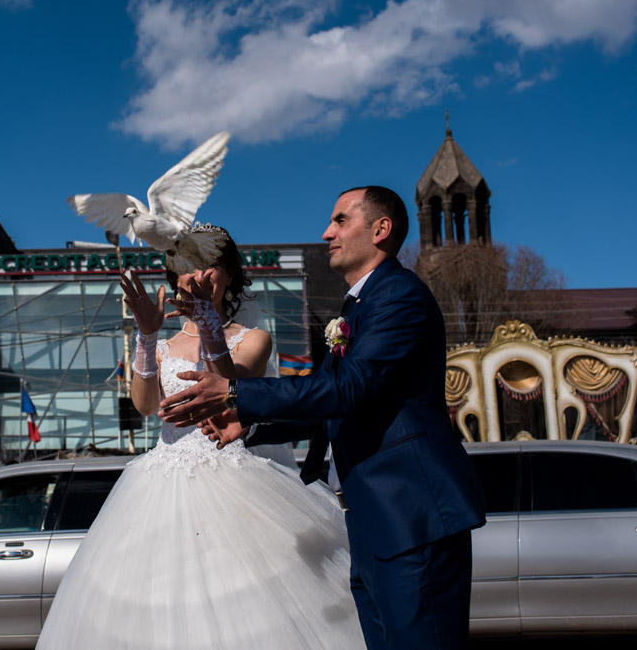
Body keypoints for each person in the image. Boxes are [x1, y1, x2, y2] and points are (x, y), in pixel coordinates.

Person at [160, 187, 486, 650]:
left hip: (413, 517)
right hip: (377, 520)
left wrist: (236, 393)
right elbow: (333, 407)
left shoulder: (399, 296)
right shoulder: (359, 304)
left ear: (380, 229)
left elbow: (347, 389)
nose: (325, 232)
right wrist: (249, 425)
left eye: (339, 220)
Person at [36, 225, 365, 650]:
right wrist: (147, 334)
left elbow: (230, 388)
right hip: (158, 484)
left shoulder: (255, 339)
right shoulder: (162, 344)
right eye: (186, 267)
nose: (196, 276)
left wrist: (210, 324)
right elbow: (144, 405)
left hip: (234, 480)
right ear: (174, 276)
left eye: (208, 266)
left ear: (228, 274)